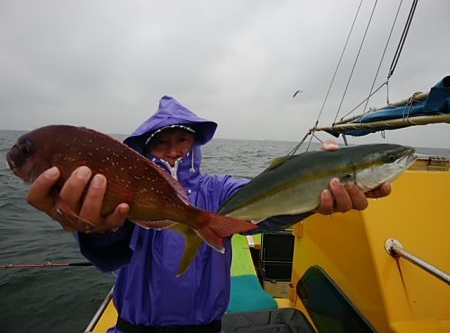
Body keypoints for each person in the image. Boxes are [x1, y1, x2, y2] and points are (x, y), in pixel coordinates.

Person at [27, 96, 391, 332]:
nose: (173, 151)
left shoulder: (218, 190)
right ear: (144, 148)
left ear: (196, 143)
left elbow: (264, 212)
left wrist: (313, 187)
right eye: (161, 141)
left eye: (182, 140)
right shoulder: (130, 191)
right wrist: (93, 229)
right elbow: (112, 248)